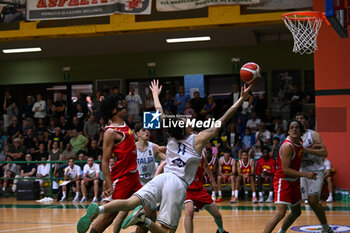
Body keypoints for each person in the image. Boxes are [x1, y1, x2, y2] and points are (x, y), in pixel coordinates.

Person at [77, 80, 253, 233]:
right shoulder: (197, 140)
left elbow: (160, 110)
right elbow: (221, 121)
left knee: (130, 203)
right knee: (167, 230)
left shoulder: (172, 137)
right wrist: (240, 100)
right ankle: (143, 220)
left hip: (162, 179)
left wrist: (154, 94)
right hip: (177, 184)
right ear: (186, 127)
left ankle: (98, 209)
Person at [81, 94, 143, 233]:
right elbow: (104, 162)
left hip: (133, 176)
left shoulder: (125, 125)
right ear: (113, 111)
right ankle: (93, 217)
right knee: (108, 218)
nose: (124, 107)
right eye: (120, 105)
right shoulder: (110, 132)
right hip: (121, 178)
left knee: (149, 210)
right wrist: (109, 185)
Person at [262, 120, 317, 233]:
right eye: (291, 127)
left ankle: (281, 232)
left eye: (296, 127)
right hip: (283, 181)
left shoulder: (300, 142)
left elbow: (301, 152)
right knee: (280, 213)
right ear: (288, 131)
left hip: (293, 181)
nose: (294, 129)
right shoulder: (288, 146)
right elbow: (286, 170)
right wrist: (305, 174)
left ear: (300, 130)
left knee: (296, 212)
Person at [296, 112, 333, 233]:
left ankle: (325, 227)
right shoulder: (293, 137)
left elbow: (324, 152)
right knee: (309, 201)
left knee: (312, 200)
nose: (299, 120)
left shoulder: (313, 134)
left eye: (301, 118)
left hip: (316, 170)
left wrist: (306, 150)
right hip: (302, 171)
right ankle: (326, 227)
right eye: (296, 119)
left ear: (306, 121)